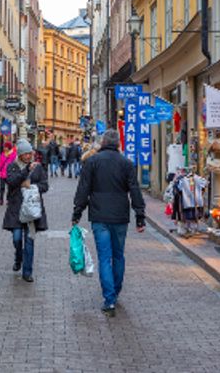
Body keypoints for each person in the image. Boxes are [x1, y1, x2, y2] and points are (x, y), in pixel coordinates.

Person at [72, 129, 146, 316]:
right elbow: (135, 190)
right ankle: (116, 290)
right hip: (120, 215)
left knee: (104, 257)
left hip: (99, 216)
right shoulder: (126, 163)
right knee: (118, 255)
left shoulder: (92, 162)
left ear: (103, 142)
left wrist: (77, 212)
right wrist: (140, 215)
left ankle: (109, 298)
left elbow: (83, 189)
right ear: (119, 143)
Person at [4, 139, 48, 283]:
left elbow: (45, 185)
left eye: (30, 153)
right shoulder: (13, 166)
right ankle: (18, 257)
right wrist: (25, 172)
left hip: (32, 210)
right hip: (16, 209)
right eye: (25, 154)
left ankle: (27, 272)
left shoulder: (38, 167)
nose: (29, 156)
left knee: (29, 241)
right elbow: (11, 182)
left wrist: (33, 187)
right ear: (20, 154)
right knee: (17, 238)